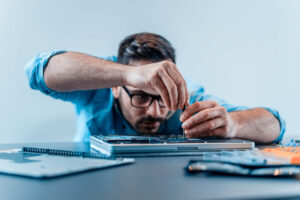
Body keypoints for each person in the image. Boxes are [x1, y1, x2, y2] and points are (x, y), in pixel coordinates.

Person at [25, 32, 285, 143]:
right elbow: (37, 71)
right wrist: (128, 75)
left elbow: (275, 124)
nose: (155, 112)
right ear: (116, 88)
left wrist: (232, 124)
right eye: (140, 95)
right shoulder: (98, 88)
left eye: (161, 98)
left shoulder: (185, 100)